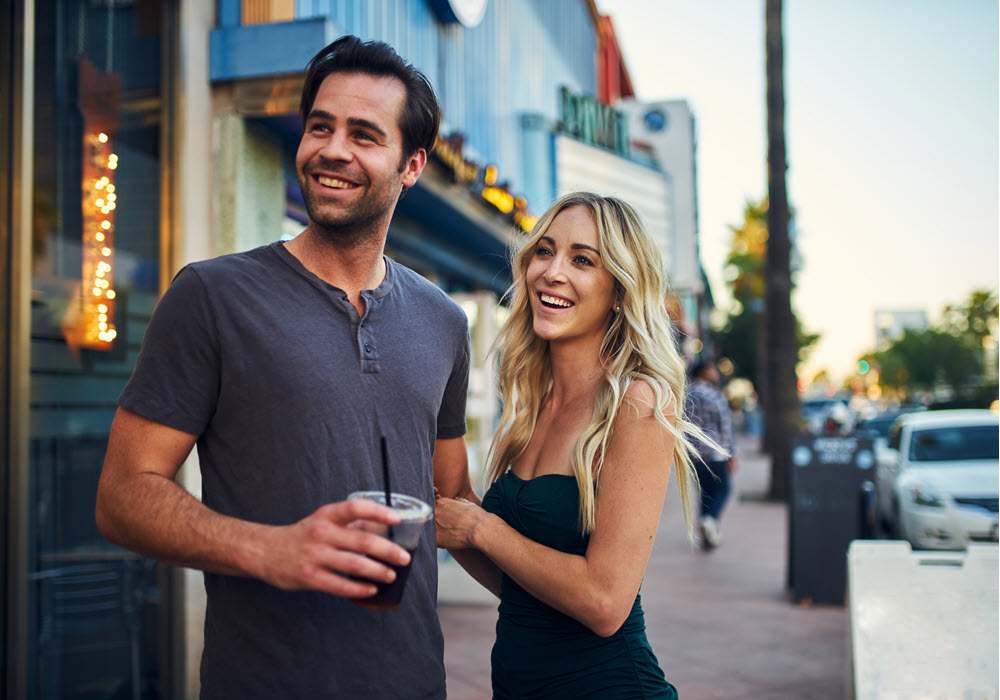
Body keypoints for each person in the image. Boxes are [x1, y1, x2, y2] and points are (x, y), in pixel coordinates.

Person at [95, 36, 475, 699]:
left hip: (414, 682)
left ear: (411, 166)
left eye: (364, 134)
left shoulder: (444, 321)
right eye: (321, 126)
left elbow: (450, 504)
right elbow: (122, 496)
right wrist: (268, 550)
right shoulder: (212, 297)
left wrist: (568, 581)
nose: (332, 149)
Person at [435, 192, 709, 699]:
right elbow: (519, 583)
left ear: (621, 290)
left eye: (582, 260)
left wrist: (479, 526)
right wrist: (454, 518)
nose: (552, 271)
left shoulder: (637, 401)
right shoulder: (532, 405)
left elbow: (606, 603)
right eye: (544, 251)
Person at [685, 358, 738, 550]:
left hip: (693, 454)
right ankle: (710, 520)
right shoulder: (714, 395)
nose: (716, 373)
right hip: (716, 452)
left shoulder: (686, 394)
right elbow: (725, 427)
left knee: (704, 492)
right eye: (713, 369)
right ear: (705, 372)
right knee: (724, 489)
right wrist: (732, 453)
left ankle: (706, 535)